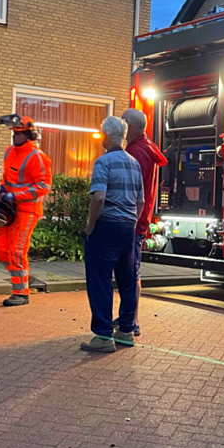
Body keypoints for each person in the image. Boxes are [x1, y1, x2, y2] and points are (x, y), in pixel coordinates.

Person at [81, 116, 143, 353]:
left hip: (106, 225)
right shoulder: (134, 163)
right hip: (128, 227)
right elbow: (140, 201)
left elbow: (98, 197)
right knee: (127, 280)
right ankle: (126, 330)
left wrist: (90, 225)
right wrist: (132, 221)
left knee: (100, 280)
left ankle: (103, 335)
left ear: (106, 136)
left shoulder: (103, 162)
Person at [0, 116, 52, 307]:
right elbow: (8, 178)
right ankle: (25, 277)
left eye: (18, 134)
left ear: (28, 135)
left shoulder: (38, 157)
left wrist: (15, 195)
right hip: (9, 209)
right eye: (13, 133)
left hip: (28, 210)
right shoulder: (9, 151)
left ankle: (21, 292)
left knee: (17, 250)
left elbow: (43, 186)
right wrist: (2, 191)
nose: (14, 137)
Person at [119, 107, 167, 337]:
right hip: (140, 219)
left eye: (123, 123)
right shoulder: (147, 148)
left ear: (131, 126)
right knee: (131, 272)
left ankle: (132, 320)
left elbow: (132, 191)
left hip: (133, 221)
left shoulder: (136, 153)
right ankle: (129, 317)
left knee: (130, 273)